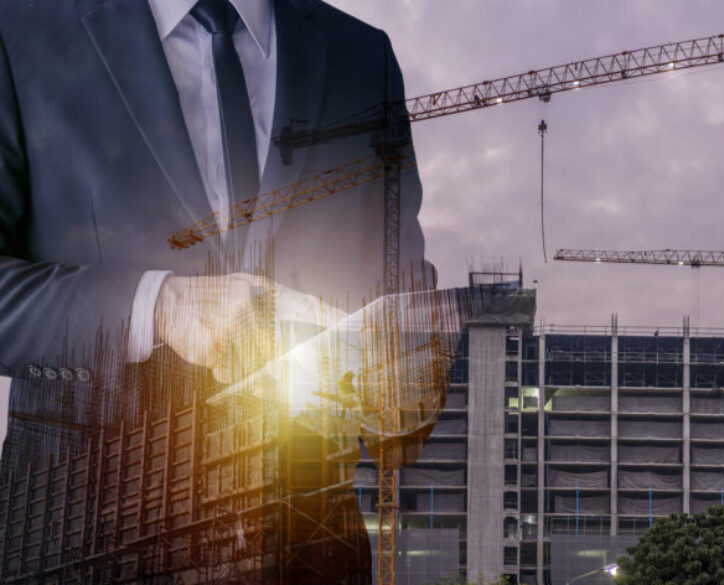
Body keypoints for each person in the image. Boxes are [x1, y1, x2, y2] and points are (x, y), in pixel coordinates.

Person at [0, 0, 435, 582]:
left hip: (309, 548)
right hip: (84, 538)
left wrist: (400, 382)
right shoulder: (19, 27)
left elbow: (408, 312)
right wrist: (159, 305)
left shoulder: (364, 57)